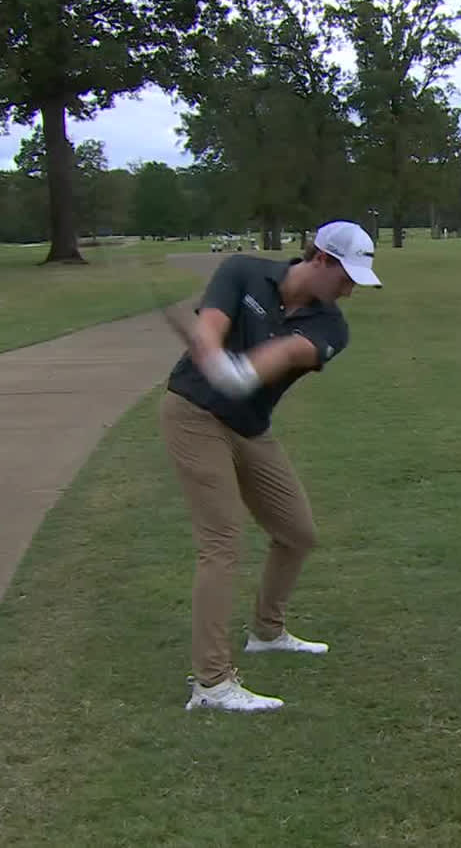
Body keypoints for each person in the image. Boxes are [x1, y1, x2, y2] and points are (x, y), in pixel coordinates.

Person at [160, 219, 381, 713]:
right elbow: (211, 326)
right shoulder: (242, 270)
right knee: (221, 541)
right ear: (320, 259)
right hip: (193, 414)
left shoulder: (330, 325)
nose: (349, 289)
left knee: (297, 532)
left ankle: (267, 631)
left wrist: (238, 372)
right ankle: (213, 683)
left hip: (250, 425)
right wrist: (213, 356)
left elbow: (286, 352)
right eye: (345, 276)